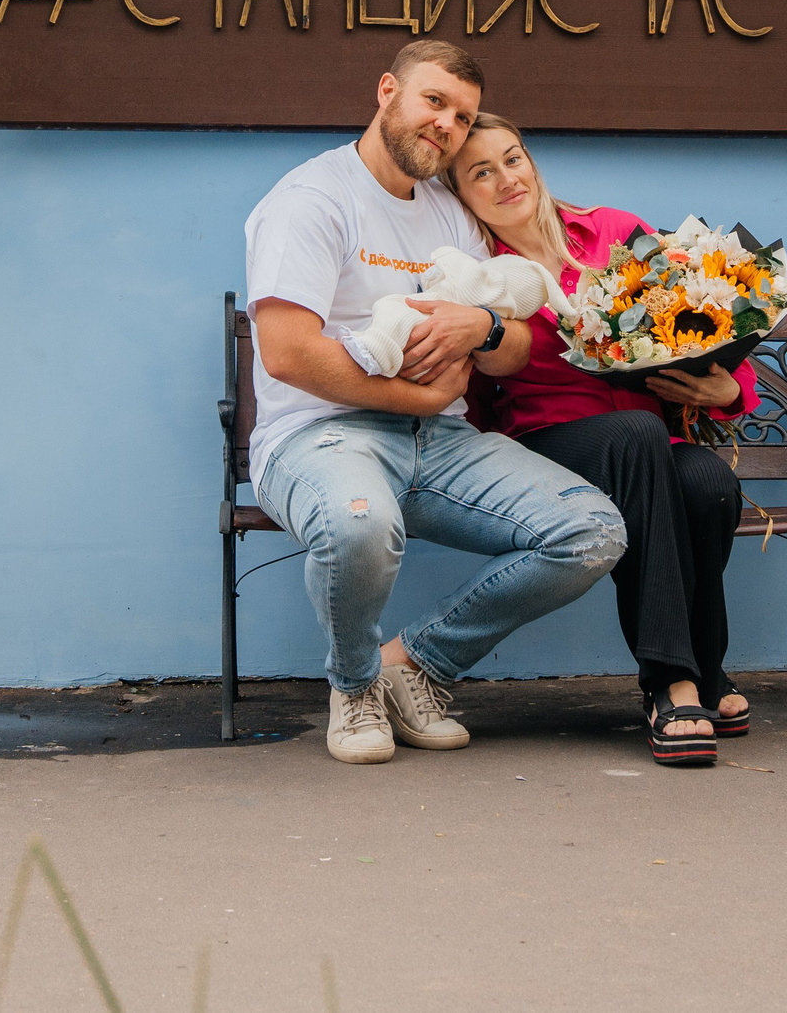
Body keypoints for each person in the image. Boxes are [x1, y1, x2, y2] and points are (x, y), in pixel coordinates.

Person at [245, 40, 626, 764]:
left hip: (440, 441)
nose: (447, 124)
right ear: (387, 91)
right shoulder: (310, 201)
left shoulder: (449, 214)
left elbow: (512, 350)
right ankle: (354, 686)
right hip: (321, 437)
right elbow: (287, 352)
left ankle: (412, 665)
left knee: (591, 531)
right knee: (359, 527)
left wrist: (481, 328)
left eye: (462, 115)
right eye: (434, 102)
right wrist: (415, 391)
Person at [448, 113, 757, 768]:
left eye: (512, 158)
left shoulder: (615, 231)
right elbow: (470, 400)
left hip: (648, 442)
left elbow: (701, 320)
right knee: (635, 434)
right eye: (481, 172)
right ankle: (672, 681)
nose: (506, 179)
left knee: (709, 488)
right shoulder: (478, 277)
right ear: (459, 193)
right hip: (547, 449)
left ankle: (704, 665)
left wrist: (730, 391)